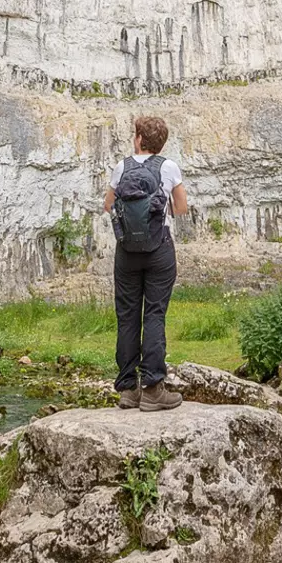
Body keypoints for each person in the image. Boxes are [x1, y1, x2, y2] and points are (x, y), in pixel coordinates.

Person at [104, 114, 189, 410]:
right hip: (159, 250)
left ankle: (128, 390)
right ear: (161, 143)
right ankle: (153, 390)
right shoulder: (169, 167)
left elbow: (108, 205)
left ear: (139, 139)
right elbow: (181, 208)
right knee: (154, 313)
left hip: (126, 251)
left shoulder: (121, 167)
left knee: (127, 316)